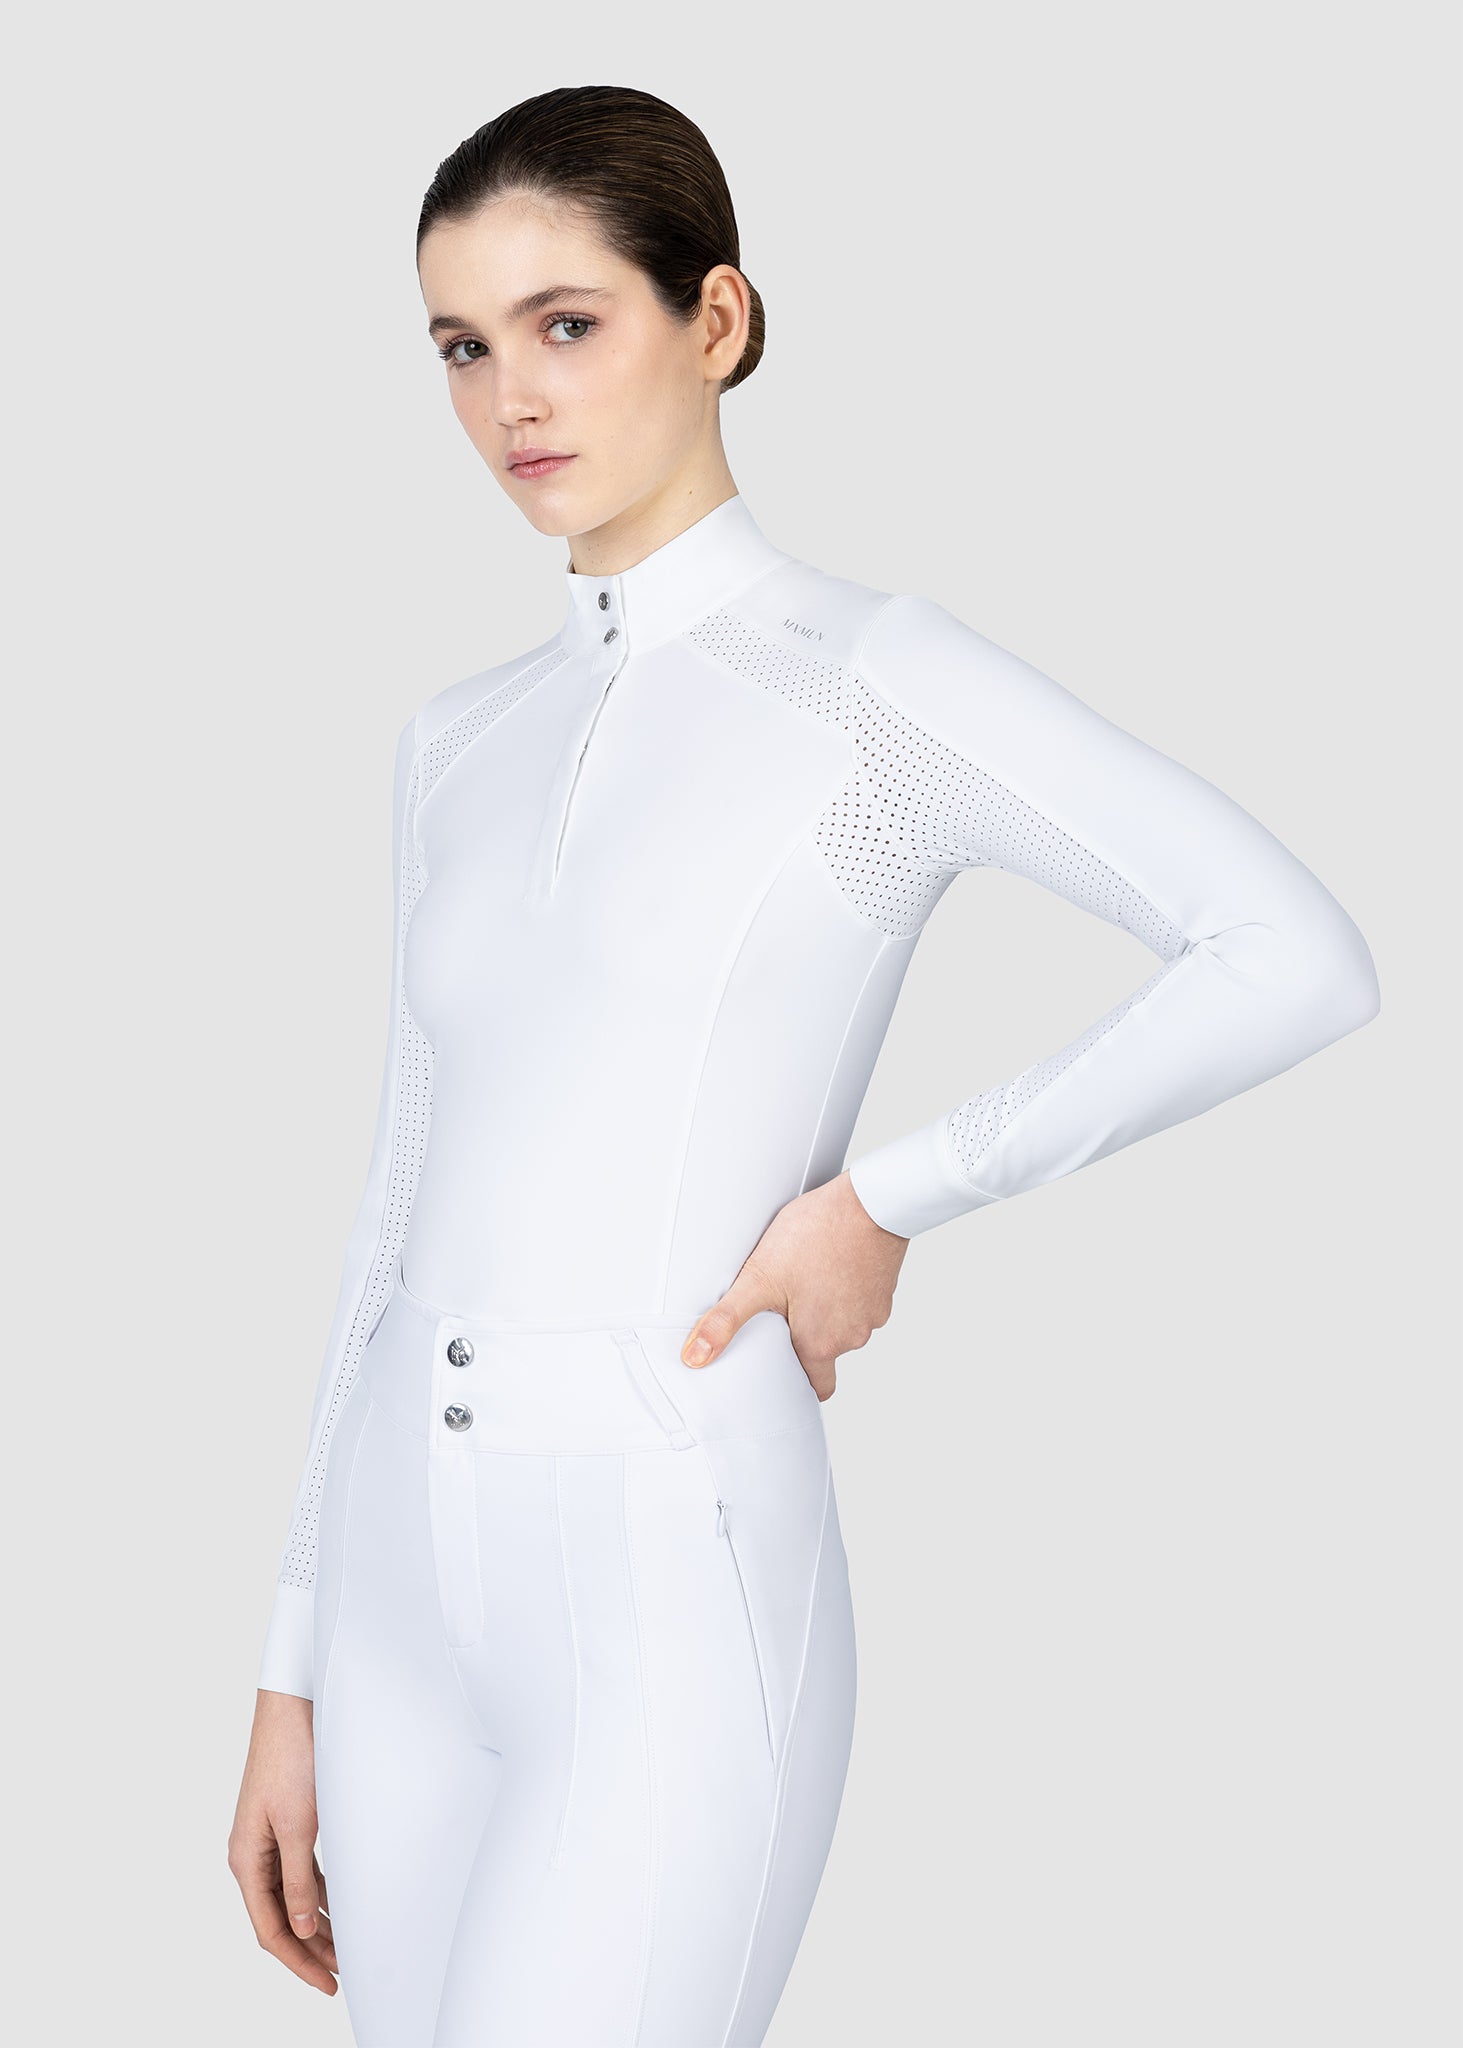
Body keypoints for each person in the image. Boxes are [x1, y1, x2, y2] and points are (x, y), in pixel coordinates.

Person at [227, 83, 1381, 2048]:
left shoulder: (863, 684)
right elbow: (400, 1189)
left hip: (666, 1557)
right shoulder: (454, 743)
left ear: (719, 318)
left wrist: (894, 1196)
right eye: (462, 347)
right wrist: (294, 1654)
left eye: (567, 322)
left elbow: (1291, 955)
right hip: (399, 1578)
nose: (512, 397)